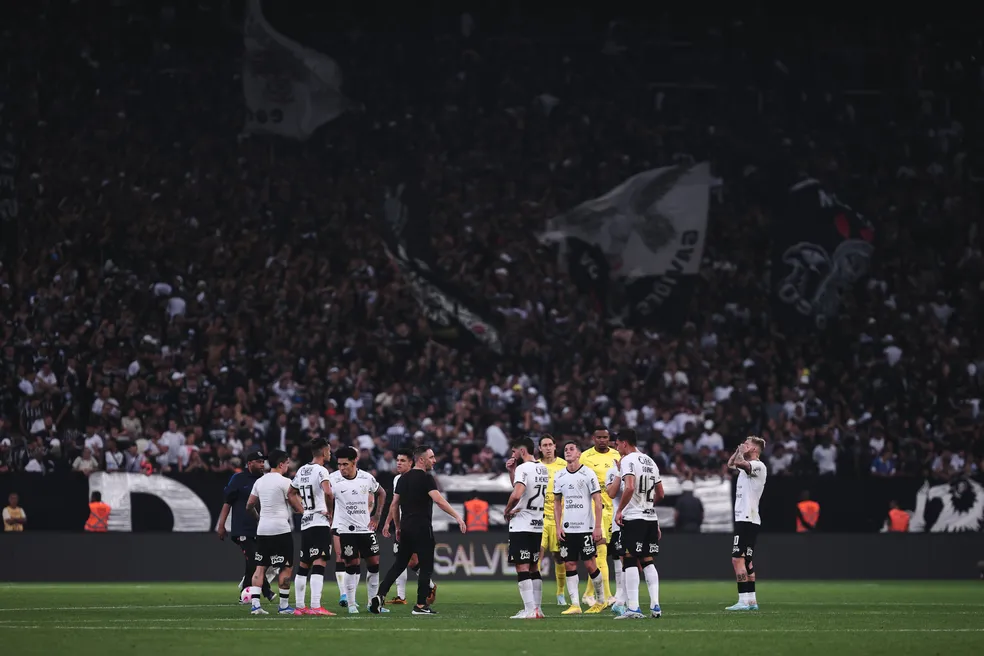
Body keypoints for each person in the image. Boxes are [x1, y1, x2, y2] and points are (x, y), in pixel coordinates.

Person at [371, 446, 466, 616]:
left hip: (406, 527)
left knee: (399, 565)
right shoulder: (426, 478)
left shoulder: (402, 479)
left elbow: (394, 505)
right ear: (421, 460)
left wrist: (398, 527)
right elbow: (439, 501)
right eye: (431, 457)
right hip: (422, 528)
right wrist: (457, 516)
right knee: (426, 567)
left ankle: (380, 595)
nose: (434, 460)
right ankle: (421, 606)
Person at [245, 449, 304, 615]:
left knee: (260, 567)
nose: (288, 466)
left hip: (263, 528)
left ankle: (255, 606)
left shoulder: (260, 482)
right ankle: (284, 606)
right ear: (281, 464)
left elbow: (249, 505)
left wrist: (259, 518)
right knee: (286, 566)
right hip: (280, 529)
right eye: (287, 463)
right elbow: (295, 503)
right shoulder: (285, 482)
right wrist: (303, 510)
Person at [329, 446, 387, 614]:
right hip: (347, 531)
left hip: (366, 530)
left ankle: (373, 603)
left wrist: (376, 517)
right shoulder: (334, 480)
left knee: (374, 564)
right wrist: (329, 513)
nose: (341, 468)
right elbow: (324, 495)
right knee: (351, 565)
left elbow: (382, 493)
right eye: (339, 465)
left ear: (354, 462)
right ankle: (352, 604)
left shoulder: (366, 478)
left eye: (345, 464)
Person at [614, 428, 664, 620]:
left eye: (617, 444)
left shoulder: (627, 460)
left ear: (624, 443)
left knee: (629, 559)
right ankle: (655, 605)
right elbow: (660, 493)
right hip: (650, 517)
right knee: (648, 560)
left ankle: (633, 608)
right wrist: (648, 506)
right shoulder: (650, 461)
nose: (617, 448)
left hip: (634, 518)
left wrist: (620, 510)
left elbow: (630, 486)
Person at [553, 440, 606, 615]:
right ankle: (575, 604)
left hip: (585, 527)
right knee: (569, 563)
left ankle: (600, 600)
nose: (567, 451)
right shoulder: (560, 476)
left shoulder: (588, 474)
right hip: (568, 528)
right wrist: (558, 526)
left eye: (571, 449)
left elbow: (598, 502)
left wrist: (597, 527)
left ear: (578, 454)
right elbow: (557, 503)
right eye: (565, 449)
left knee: (590, 564)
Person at [217, 451, 274, 603]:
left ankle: (245, 587)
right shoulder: (238, 479)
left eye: (263, 462)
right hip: (242, 528)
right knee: (255, 560)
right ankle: (267, 591)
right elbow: (227, 502)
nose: (263, 464)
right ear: (249, 463)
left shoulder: (264, 480)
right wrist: (221, 525)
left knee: (259, 560)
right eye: (259, 461)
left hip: (261, 528)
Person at [288, 438, 336, 616]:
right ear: (323, 452)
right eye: (329, 451)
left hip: (306, 522)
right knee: (319, 561)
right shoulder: (322, 470)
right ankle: (315, 606)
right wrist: (330, 512)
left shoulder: (302, 470)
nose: (330, 454)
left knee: (303, 564)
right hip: (319, 521)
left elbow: (290, 493)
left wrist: (302, 510)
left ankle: (300, 607)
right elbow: (329, 492)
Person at [503, 436, 549, 619]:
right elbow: (525, 488)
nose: (513, 455)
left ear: (522, 451)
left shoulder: (524, 467)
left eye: (514, 452)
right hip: (537, 523)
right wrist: (512, 471)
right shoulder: (542, 468)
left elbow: (518, 493)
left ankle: (529, 610)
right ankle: (538, 609)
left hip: (522, 523)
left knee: (521, 567)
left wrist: (507, 510)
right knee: (533, 566)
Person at [386, 448, 437, 605]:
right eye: (397, 460)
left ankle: (424, 587)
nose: (398, 463)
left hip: (415, 526)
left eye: (402, 461)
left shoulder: (421, 478)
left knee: (408, 560)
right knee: (407, 560)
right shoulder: (398, 479)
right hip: (403, 525)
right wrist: (390, 523)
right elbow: (394, 505)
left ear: (411, 462)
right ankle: (403, 595)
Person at [578, 428, 621, 607]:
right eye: (599, 437)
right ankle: (607, 595)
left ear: (609, 439)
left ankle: (588, 594)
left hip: (613, 510)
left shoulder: (617, 455)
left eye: (605, 437)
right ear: (593, 438)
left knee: (603, 554)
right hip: (595, 510)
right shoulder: (585, 457)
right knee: (601, 552)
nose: (602, 440)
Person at [726, 436, 768, 611]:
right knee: (747, 561)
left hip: (747, 518)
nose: (745, 445)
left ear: (755, 450)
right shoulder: (745, 467)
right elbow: (730, 464)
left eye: (748, 444)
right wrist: (739, 451)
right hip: (748, 519)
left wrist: (741, 454)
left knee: (737, 559)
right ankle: (752, 601)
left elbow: (740, 463)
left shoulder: (758, 466)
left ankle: (743, 600)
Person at [536, 434, 568, 606]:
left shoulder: (564, 465)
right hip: (539, 518)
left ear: (555, 446)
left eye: (550, 444)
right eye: (544, 445)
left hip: (559, 519)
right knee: (538, 554)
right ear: (540, 448)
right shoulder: (535, 466)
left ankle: (560, 593)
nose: (548, 448)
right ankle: (536, 595)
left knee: (559, 557)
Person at [604, 460, 627, 615]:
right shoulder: (611, 472)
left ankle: (627, 597)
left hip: (636, 519)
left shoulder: (636, 467)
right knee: (620, 557)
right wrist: (620, 472)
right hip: (619, 521)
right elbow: (611, 493)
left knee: (640, 561)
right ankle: (621, 595)